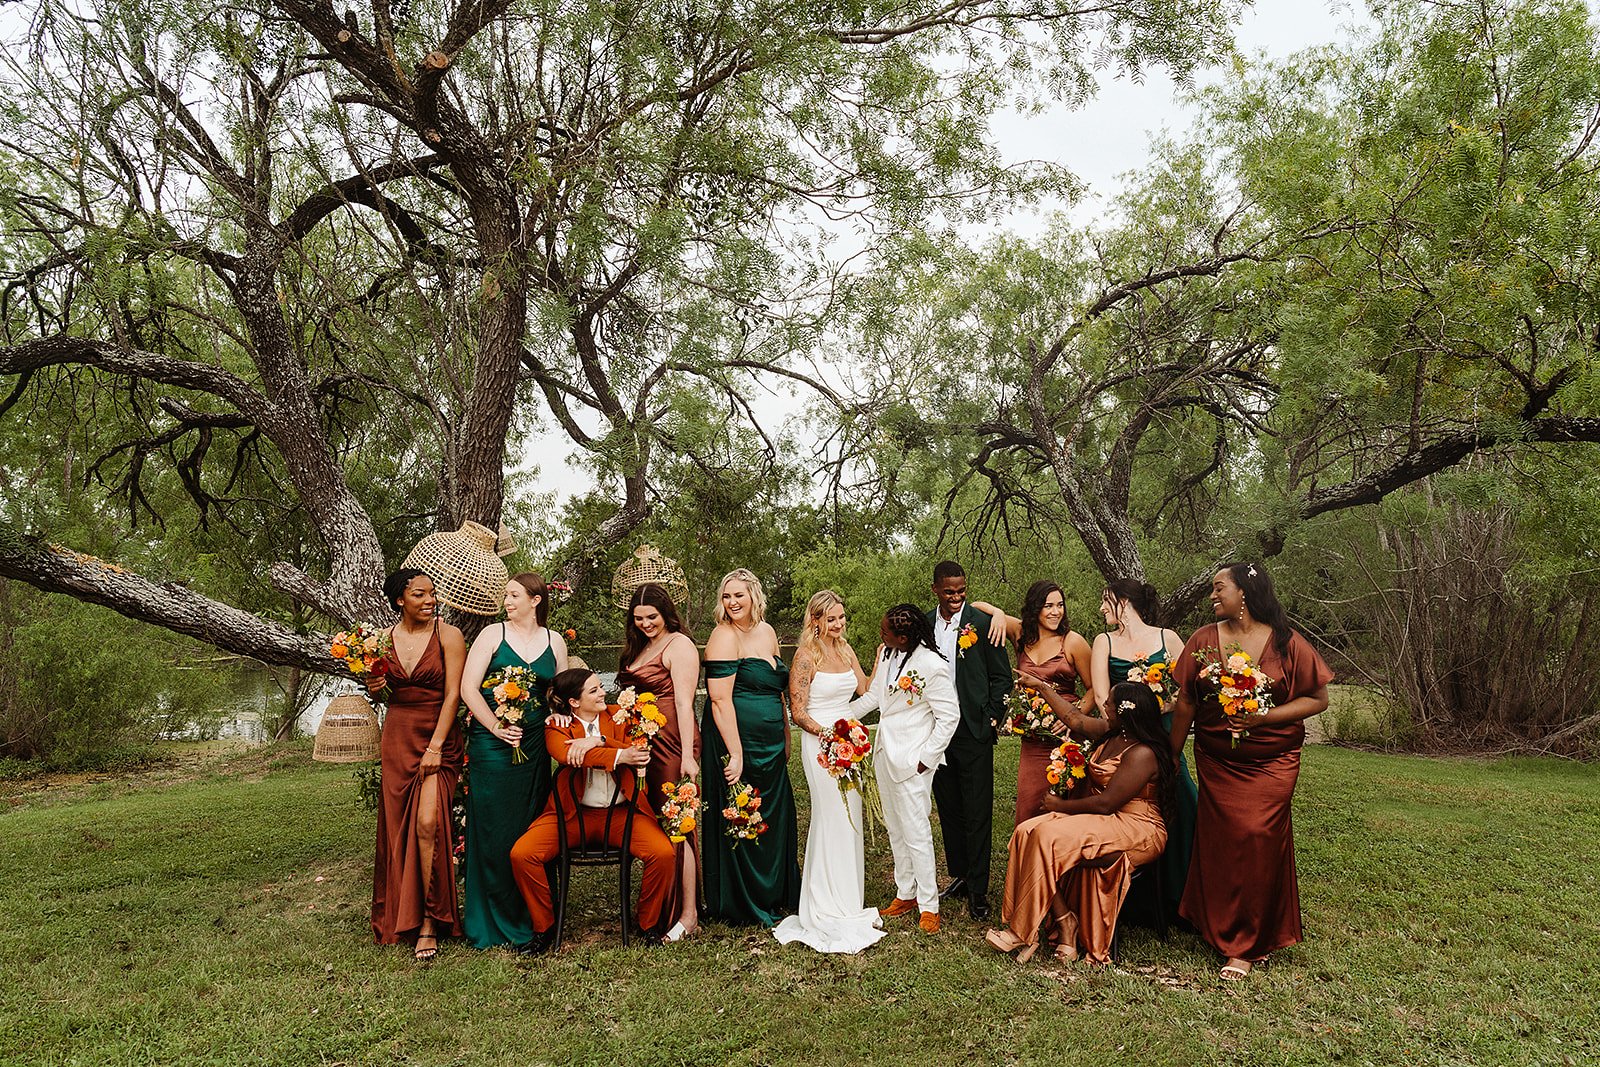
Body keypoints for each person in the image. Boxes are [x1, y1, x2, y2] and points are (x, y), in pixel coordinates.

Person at [1169, 562, 1333, 980]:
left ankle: (1246, 943)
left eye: (1218, 587)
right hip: (1217, 760)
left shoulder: (1286, 642)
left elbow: (1318, 699)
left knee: (1257, 836)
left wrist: (1265, 717)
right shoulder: (1203, 640)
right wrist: (1171, 754)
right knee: (1221, 840)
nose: (1212, 595)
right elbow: (1186, 700)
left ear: (1243, 592)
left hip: (1272, 760)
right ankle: (1216, 923)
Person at [984, 682, 1173, 965]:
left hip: (1137, 827)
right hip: (1105, 820)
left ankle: (1020, 932)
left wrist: (1060, 806)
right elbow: (1073, 718)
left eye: (1109, 703)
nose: (1104, 706)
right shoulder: (1111, 732)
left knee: (1046, 836)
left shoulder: (1142, 753)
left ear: (1125, 712)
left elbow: (1107, 803)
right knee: (1026, 831)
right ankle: (1065, 921)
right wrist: (1041, 688)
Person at [507, 669, 676, 953]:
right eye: (594, 690)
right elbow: (565, 754)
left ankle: (647, 925)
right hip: (572, 816)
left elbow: (638, 751)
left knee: (663, 854)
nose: (603, 693)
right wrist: (619, 755)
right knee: (523, 854)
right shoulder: (557, 726)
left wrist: (599, 741)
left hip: (622, 815)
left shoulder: (620, 716)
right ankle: (544, 928)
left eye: (601, 687)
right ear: (574, 702)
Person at [458, 572, 570, 949]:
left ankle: (535, 915)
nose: (506, 602)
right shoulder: (492, 635)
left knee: (529, 824)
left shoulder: (554, 641)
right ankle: (490, 918)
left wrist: (559, 716)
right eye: (506, 595)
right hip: (492, 745)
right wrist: (495, 726)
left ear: (536, 601)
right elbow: (468, 688)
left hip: (534, 746)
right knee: (494, 828)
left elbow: (559, 693)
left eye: (514, 595)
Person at [773, 590, 886, 953]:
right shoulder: (806, 656)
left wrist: (880, 662)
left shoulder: (846, 649)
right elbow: (798, 712)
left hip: (849, 739)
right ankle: (823, 901)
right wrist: (829, 735)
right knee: (831, 815)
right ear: (816, 620)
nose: (839, 624)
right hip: (820, 743)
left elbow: (865, 691)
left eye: (841, 617)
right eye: (831, 619)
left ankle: (848, 900)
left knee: (850, 816)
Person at [368, 569, 468, 961]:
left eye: (432, 594)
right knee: (398, 829)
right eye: (420, 595)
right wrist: (375, 687)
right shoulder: (380, 641)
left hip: (438, 736)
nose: (430, 601)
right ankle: (403, 914)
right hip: (398, 737)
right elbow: (384, 694)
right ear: (400, 600)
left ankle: (430, 920)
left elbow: (454, 694)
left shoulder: (448, 635)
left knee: (428, 823)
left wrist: (436, 747)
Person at [845, 604, 961, 934]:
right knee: (895, 828)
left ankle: (929, 905)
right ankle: (905, 893)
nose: (881, 636)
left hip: (913, 761)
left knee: (917, 832)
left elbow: (949, 716)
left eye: (885, 632)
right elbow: (875, 698)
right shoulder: (887, 654)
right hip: (885, 753)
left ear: (904, 637)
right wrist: (838, 716)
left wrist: (926, 757)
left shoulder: (932, 665)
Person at [1090, 578, 1195, 919]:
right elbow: (1103, 698)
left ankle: (1183, 897)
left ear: (1124, 602)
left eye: (1106, 600)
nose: (1101, 608)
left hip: (1164, 737)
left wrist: (1161, 705)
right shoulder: (1104, 642)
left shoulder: (1168, 638)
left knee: (1184, 800)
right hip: (1126, 740)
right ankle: (1134, 901)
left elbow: (1187, 691)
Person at [701, 568, 800, 926]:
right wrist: (737, 753)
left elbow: (778, 691)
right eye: (726, 596)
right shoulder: (723, 636)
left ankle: (775, 891)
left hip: (771, 742)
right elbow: (718, 700)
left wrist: (786, 733)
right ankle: (745, 900)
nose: (732, 602)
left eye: (738, 595)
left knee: (773, 814)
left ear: (754, 596)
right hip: (737, 741)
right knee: (743, 812)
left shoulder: (768, 631)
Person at [615, 583, 702, 942]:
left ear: (666, 613)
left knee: (678, 824)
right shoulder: (640, 646)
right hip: (641, 744)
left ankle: (688, 914)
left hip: (672, 743)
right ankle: (659, 904)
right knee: (653, 824)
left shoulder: (679, 645)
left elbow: (684, 703)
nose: (645, 624)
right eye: (638, 618)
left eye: (651, 616)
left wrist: (687, 757)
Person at [969, 581, 1096, 825]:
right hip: (1033, 739)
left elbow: (1093, 688)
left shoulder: (1072, 642)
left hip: (1067, 736)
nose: (1056, 612)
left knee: (1066, 807)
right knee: (1029, 807)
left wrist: (1073, 717)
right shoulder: (1021, 634)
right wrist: (998, 613)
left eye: (1060, 605)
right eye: (1048, 606)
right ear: (1035, 608)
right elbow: (976, 606)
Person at [927, 561, 1012, 921]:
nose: (956, 597)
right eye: (949, 591)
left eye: (961, 590)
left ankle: (979, 889)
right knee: (949, 807)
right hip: (935, 729)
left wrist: (991, 717)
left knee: (977, 810)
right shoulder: (925, 625)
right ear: (935, 589)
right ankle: (960, 875)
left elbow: (1002, 678)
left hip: (973, 729)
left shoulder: (982, 623)